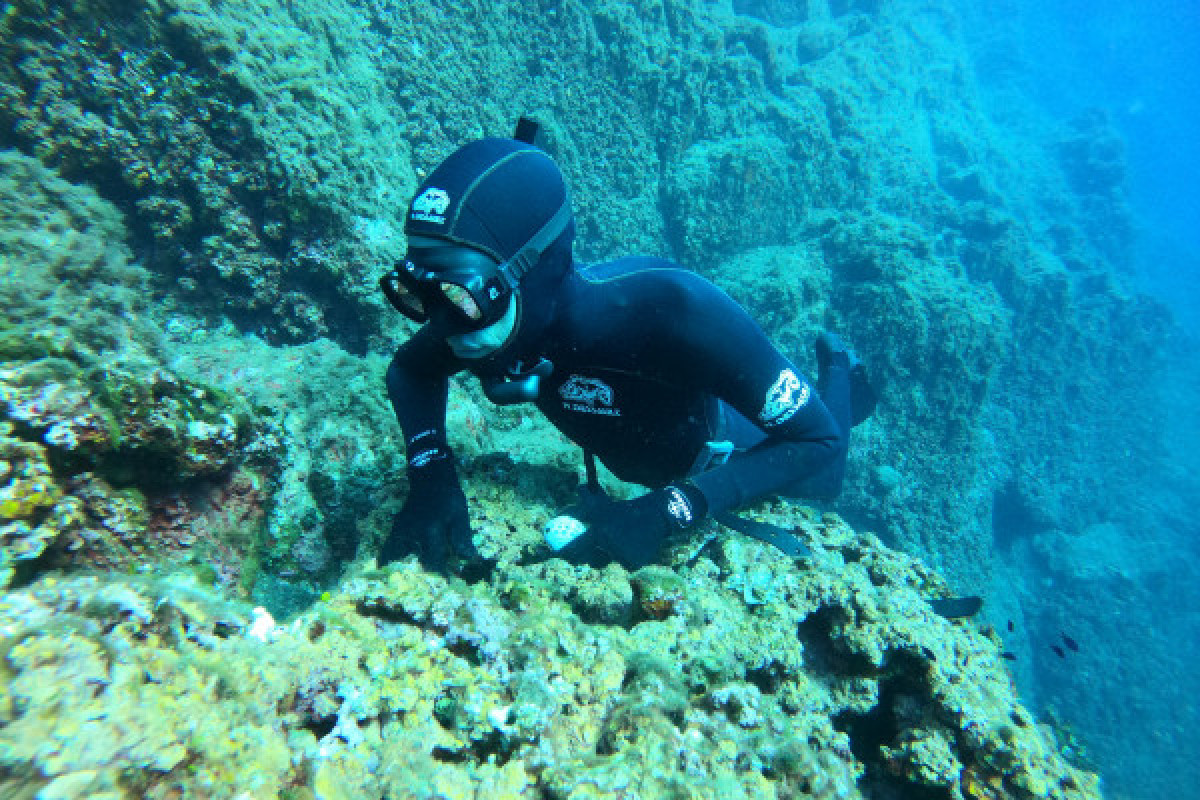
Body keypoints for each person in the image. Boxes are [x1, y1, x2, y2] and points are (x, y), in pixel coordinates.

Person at [379, 123, 875, 576]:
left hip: (721, 436)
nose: (440, 322)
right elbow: (409, 371)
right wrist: (432, 476)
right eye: (419, 293)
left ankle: (837, 365)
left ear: (528, 272)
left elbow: (818, 441)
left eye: (458, 295)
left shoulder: (678, 310)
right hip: (632, 453)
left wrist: (673, 506)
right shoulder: (482, 316)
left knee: (825, 479)